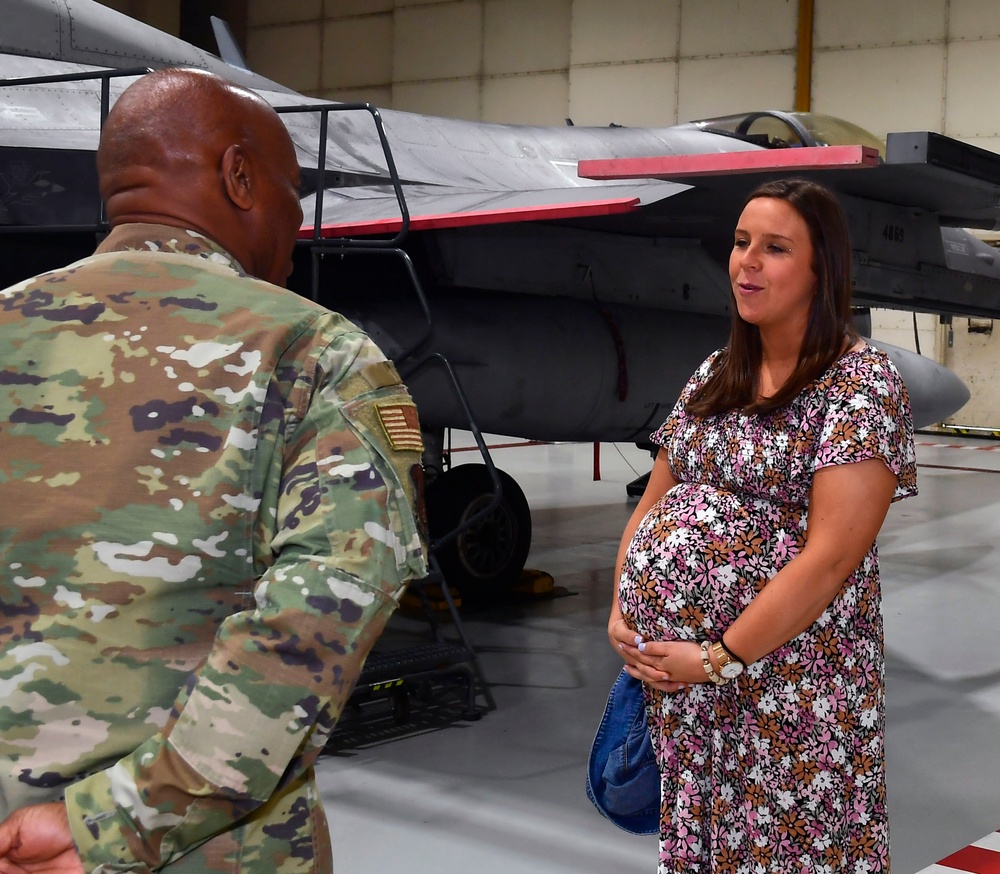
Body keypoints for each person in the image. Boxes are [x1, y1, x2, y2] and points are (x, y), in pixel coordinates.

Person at [0, 68, 427, 873]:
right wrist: (108, 827)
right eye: (292, 191)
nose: (298, 222)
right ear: (238, 175)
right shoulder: (315, 354)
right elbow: (320, 616)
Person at [609, 177, 916, 873]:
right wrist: (622, 607)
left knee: (791, 849)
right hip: (687, 688)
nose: (747, 260)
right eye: (742, 242)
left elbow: (831, 559)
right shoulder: (718, 373)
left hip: (794, 688)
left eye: (774, 248)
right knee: (707, 840)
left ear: (821, 272)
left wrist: (719, 657)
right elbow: (656, 498)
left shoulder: (861, 387)